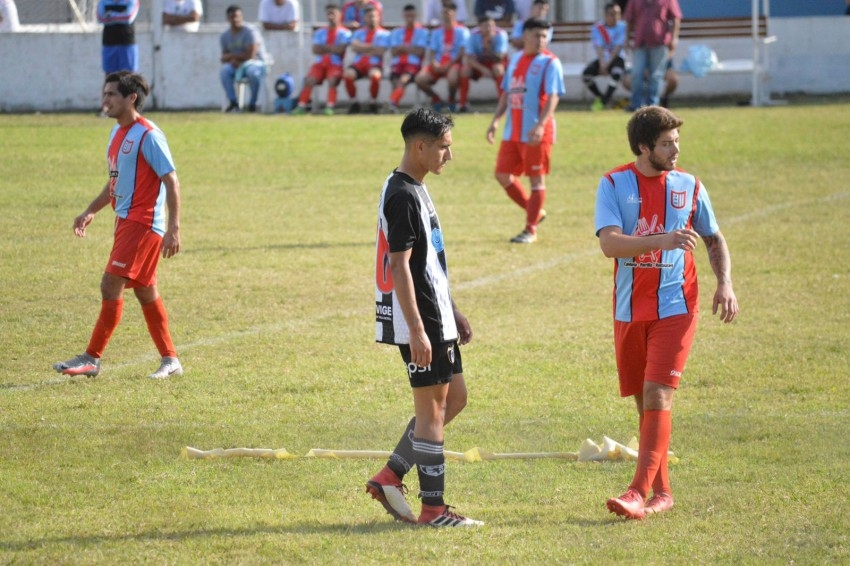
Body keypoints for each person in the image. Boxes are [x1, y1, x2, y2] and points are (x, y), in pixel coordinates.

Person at [594, 105, 739, 520]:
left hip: (677, 305)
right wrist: (661, 239)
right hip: (629, 309)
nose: (676, 150)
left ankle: (637, 493)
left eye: (677, 142)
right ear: (644, 147)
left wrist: (725, 283)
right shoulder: (614, 183)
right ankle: (664, 493)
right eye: (666, 144)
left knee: (658, 393)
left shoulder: (690, 186)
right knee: (645, 404)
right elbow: (610, 244)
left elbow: (713, 238)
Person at [368, 107, 483, 528]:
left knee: (455, 399)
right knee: (433, 410)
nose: (449, 155)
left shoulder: (415, 186)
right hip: (422, 320)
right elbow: (399, 267)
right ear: (420, 146)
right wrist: (417, 330)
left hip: (437, 315)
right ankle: (434, 510)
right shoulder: (401, 195)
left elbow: (428, 261)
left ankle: (390, 475)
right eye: (443, 147)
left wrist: (453, 309)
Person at [53, 71, 183, 381]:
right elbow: (115, 182)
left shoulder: (148, 135)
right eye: (105, 94)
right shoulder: (117, 132)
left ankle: (91, 358)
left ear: (131, 98)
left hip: (143, 223)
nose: (105, 100)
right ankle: (171, 360)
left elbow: (171, 181)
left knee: (111, 284)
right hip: (126, 220)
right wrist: (91, 210)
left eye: (112, 94)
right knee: (146, 291)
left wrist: (174, 228)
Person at [486, 18, 564, 244]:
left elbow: (553, 97)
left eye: (544, 36)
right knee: (502, 174)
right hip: (513, 131)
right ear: (525, 36)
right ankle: (535, 211)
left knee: (536, 181)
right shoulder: (516, 59)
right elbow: (507, 92)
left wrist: (540, 125)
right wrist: (495, 120)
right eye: (536, 35)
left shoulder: (550, 63)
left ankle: (530, 230)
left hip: (536, 133)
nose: (541, 40)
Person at [292, 3, 352, 115]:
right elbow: (315, 49)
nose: (331, 16)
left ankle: (329, 107)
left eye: (333, 13)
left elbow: (340, 49)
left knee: (332, 81)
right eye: (328, 14)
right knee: (309, 80)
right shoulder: (320, 32)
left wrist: (324, 48)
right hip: (320, 64)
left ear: (340, 15)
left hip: (335, 64)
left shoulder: (345, 33)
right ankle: (301, 106)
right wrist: (332, 48)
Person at [623, 0, 681, 110]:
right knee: (636, 74)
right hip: (640, 43)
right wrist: (627, 39)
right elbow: (629, 19)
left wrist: (674, 39)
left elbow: (675, 18)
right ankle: (636, 104)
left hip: (660, 43)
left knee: (656, 76)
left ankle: (653, 105)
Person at [414, 2, 469, 113]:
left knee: (452, 79)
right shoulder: (437, 32)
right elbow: (432, 51)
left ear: (455, 13)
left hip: (453, 63)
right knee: (419, 79)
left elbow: (461, 53)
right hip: (438, 64)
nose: (445, 15)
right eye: (444, 12)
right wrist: (434, 63)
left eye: (448, 12)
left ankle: (451, 100)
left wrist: (448, 65)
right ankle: (436, 99)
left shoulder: (462, 31)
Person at [219, 5, 268, 113]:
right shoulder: (224, 36)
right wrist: (233, 59)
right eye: (232, 17)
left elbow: (251, 55)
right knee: (225, 71)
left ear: (242, 17)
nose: (235, 19)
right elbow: (224, 57)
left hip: (255, 63)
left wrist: (232, 57)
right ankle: (233, 102)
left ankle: (253, 104)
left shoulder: (250, 31)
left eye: (237, 16)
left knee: (252, 72)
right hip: (236, 64)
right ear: (227, 19)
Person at [343, 5, 390, 114]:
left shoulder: (385, 34)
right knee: (347, 75)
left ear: (378, 17)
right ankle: (354, 103)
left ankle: (373, 103)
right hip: (359, 64)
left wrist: (362, 48)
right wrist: (372, 47)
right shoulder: (359, 32)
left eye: (374, 16)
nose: (372, 19)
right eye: (369, 16)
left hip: (375, 64)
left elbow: (381, 51)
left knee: (375, 76)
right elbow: (354, 47)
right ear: (364, 18)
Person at [582, 2, 627, 111]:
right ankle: (602, 97)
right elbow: (599, 47)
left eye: (618, 14)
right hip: (603, 59)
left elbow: (617, 48)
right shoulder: (598, 27)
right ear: (605, 15)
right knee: (586, 75)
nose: (615, 17)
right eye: (612, 14)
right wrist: (602, 64)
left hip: (617, 59)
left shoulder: (623, 27)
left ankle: (604, 100)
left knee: (616, 74)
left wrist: (607, 64)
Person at [459, 15, 508, 112]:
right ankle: (462, 104)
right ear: (480, 27)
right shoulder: (473, 35)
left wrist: (489, 49)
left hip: (494, 63)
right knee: (465, 70)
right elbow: (469, 59)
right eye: (486, 26)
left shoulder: (500, 34)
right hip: (479, 64)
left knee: (498, 69)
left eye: (491, 25)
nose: (489, 29)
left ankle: (503, 104)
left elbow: (500, 58)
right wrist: (483, 69)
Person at [387, 4, 430, 113]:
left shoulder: (423, 31)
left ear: (416, 15)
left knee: (402, 80)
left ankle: (392, 104)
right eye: (407, 15)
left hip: (413, 65)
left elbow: (420, 52)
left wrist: (403, 48)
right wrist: (411, 48)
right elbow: (393, 51)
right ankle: (393, 105)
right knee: (396, 82)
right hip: (397, 64)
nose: (410, 18)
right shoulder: (397, 32)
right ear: (404, 16)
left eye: (412, 15)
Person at [98, 0, 140, 75]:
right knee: (110, 76)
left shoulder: (132, 1)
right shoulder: (103, 1)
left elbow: (128, 17)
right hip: (109, 44)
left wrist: (110, 15)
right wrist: (121, 14)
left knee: (129, 76)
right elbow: (100, 18)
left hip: (127, 44)